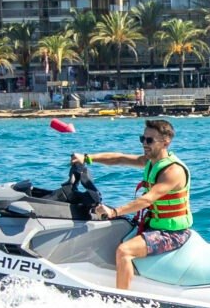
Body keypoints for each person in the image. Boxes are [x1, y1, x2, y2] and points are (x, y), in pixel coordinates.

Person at [72, 118, 193, 291]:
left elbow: (147, 200)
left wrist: (114, 211)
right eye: (142, 139)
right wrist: (87, 158)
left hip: (172, 233)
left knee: (124, 251)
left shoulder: (173, 171)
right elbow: (119, 158)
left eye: (149, 140)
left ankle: (122, 299)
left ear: (166, 142)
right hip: (153, 225)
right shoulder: (150, 162)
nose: (144, 144)